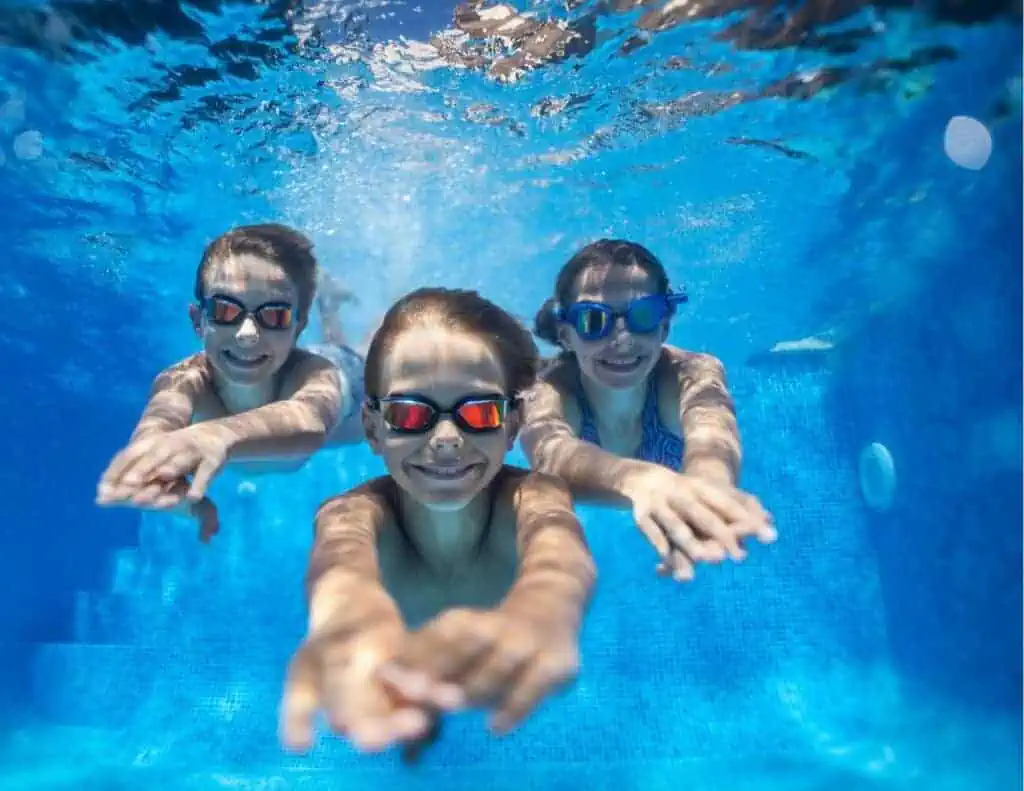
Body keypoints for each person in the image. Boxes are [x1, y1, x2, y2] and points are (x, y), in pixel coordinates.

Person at [279, 287, 596, 758]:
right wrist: (345, 621)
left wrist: (546, 612)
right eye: (409, 415)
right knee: (350, 363)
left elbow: (561, 555)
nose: (446, 440)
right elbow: (340, 567)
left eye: (481, 412)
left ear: (512, 426)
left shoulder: (533, 496)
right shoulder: (353, 513)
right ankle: (331, 312)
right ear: (373, 431)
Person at [520, 239, 776, 581]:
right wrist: (639, 480)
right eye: (593, 321)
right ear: (566, 335)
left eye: (643, 316)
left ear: (665, 326)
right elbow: (549, 455)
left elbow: (712, 433)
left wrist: (707, 491)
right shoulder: (546, 387)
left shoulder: (693, 373)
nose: (622, 340)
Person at [96, 223, 364, 540]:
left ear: (298, 327)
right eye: (225, 310)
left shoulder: (315, 375)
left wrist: (221, 433)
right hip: (275, 439)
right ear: (198, 321)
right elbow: (153, 436)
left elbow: (310, 421)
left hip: (351, 396)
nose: (247, 334)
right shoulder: (182, 382)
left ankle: (331, 303)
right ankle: (328, 303)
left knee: (372, 352)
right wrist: (160, 481)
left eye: (275, 315)